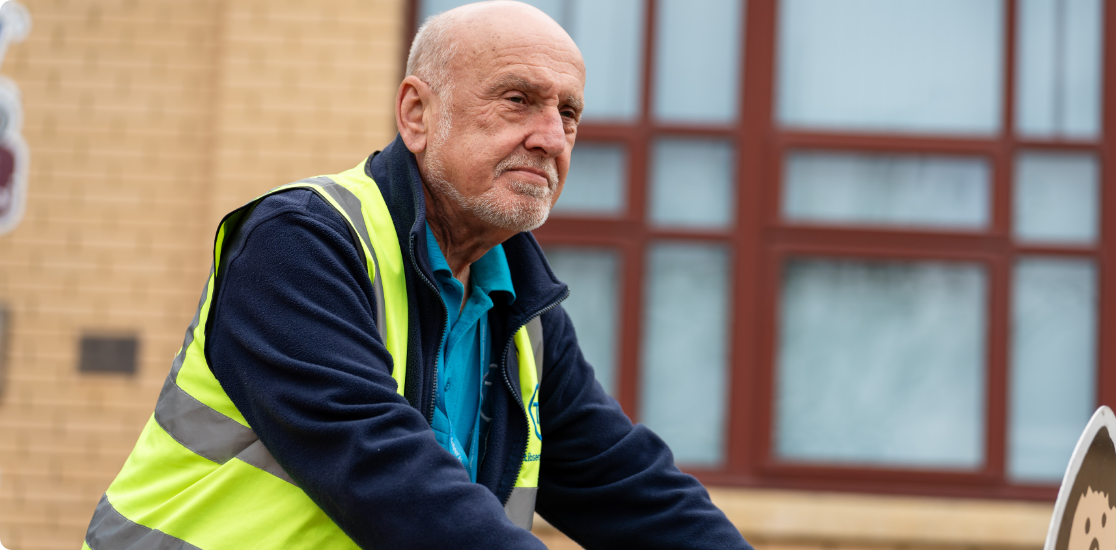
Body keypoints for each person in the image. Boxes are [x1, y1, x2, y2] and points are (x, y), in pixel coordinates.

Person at [82, 2, 752, 549]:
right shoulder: (300, 243)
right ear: (417, 114)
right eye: (517, 101)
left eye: (568, 114)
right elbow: (381, 466)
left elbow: (629, 486)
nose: (550, 137)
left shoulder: (525, 312)